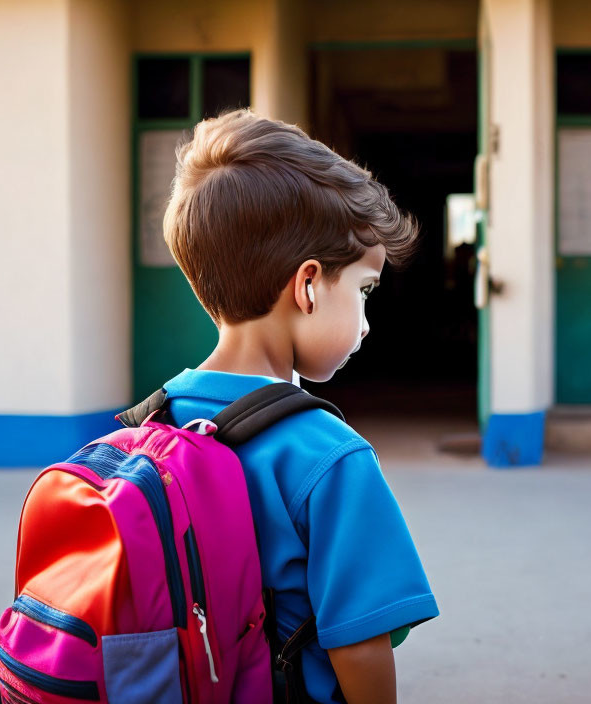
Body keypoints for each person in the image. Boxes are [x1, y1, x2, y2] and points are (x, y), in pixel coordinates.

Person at [160, 109, 439, 704]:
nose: (365, 324)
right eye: (364, 291)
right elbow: (361, 644)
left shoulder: (156, 420)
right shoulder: (330, 458)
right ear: (308, 284)